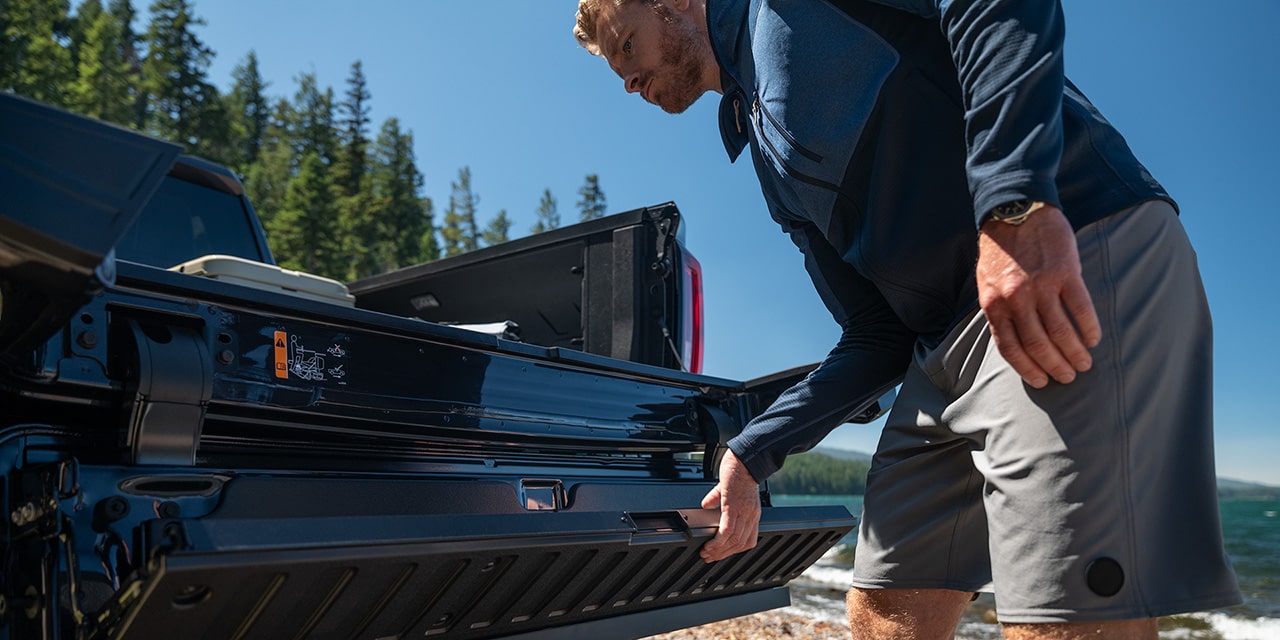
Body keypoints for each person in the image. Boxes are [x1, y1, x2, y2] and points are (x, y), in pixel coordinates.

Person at [572, 0, 1242, 638]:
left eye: (627, 45)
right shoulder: (768, 159)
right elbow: (874, 335)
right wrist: (753, 451)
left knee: (1062, 609)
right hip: (939, 349)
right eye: (617, 72)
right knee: (888, 598)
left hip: (1069, 257)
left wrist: (1013, 201)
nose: (629, 81)